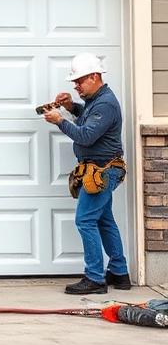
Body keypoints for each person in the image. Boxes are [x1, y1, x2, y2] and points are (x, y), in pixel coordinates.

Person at [43, 53, 131, 295]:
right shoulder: (97, 100)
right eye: (74, 82)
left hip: (101, 172)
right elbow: (88, 119)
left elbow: (86, 135)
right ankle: (120, 273)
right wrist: (71, 107)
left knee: (85, 220)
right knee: (104, 220)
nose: (76, 85)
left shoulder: (105, 103)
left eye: (79, 81)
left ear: (94, 76)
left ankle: (94, 279)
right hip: (101, 170)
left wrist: (60, 120)